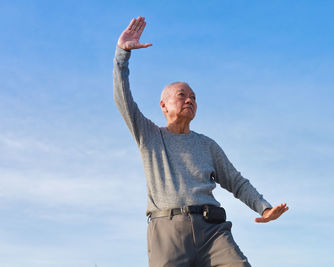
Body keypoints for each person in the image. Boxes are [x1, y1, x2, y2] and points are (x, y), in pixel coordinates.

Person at [113, 16, 289, 267]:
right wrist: (122, 55)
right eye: (181, 95)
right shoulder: (150, 136)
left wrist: (264, 208)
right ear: (163, 105)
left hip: (212, 233)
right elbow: (122, 99)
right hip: (168, 232)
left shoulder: (207, 145)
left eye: (193, 97)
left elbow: (237, 182)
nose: (189, 100)